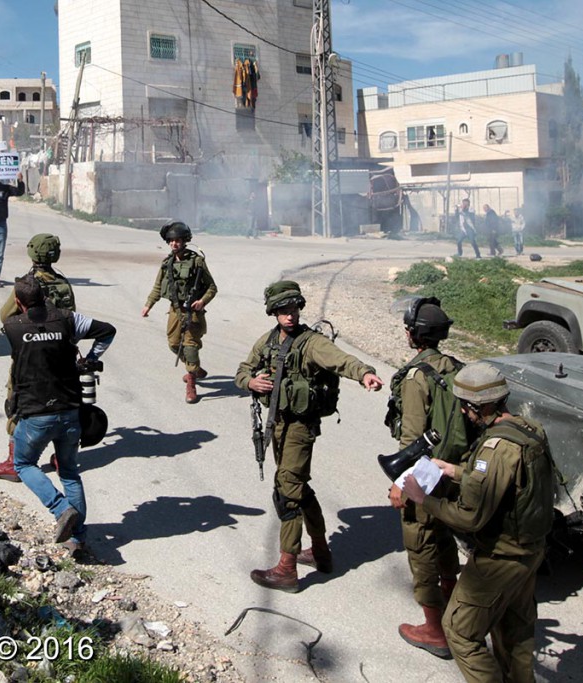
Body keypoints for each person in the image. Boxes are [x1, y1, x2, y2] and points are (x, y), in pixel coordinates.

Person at [403, 363, 555, 682]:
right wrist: (455, 471)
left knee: (459, 631)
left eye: (466, 405)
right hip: (530, 552)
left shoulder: (494, 448)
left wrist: (422, 498)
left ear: (480, 406)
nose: (462, 410)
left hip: (500, 557)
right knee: (515, 635)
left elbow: (469, 516)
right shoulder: (529, 429)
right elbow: (510, 484)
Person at [235, 281, 383, 592]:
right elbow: (242, 371)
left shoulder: (311, 343)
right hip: (277, 425)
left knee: (288, 492)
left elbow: (341, 359)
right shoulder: (268, 341)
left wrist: (365, 373)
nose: (290, 316)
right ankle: (320, 552)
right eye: (283, 311)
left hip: (300, 427)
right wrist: (251, 382)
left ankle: (287, 569)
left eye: (294, 310)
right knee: (298, 487)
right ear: (274, 313)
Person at [3, 273, 115, 553]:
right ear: (44, 296)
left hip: (35, 411)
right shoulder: (68, 319)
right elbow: (107, 330)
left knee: (23, 464)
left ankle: (60, 508)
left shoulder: (12, 327)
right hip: (70, 410)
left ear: (18, 302)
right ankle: (76, 538)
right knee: (69, 472)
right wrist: (91, 359)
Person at [385, 298, 470, 659]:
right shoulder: (456, 367)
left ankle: (434, 629)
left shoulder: (417, 376)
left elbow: (412, 441)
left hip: (425, 473)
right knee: (445, 538)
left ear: (414, 334)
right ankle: (452, 610)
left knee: (420, 544)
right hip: (453, 472)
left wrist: (401, 484)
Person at [0, 233, 77, 483]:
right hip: (60, 358)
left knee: (18, 402)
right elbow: (72, 317)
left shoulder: (27, 284)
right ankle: (62, 458)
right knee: (60, 403)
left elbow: (6, 315)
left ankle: (16, 464)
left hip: (30, 356)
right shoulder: (63, 283)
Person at [141, 221, 217, 404]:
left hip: (193, 312)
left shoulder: (197, 262)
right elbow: (158, 286)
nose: (174, 244)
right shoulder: (167, 263)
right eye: (171, 241)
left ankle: (191, 382)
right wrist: (148, 305)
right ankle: (195, 369)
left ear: (185, 241)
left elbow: (212, 287)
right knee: (174, 344)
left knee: (190, 346)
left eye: (178, 240)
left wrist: (202, 301)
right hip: (175, 310)